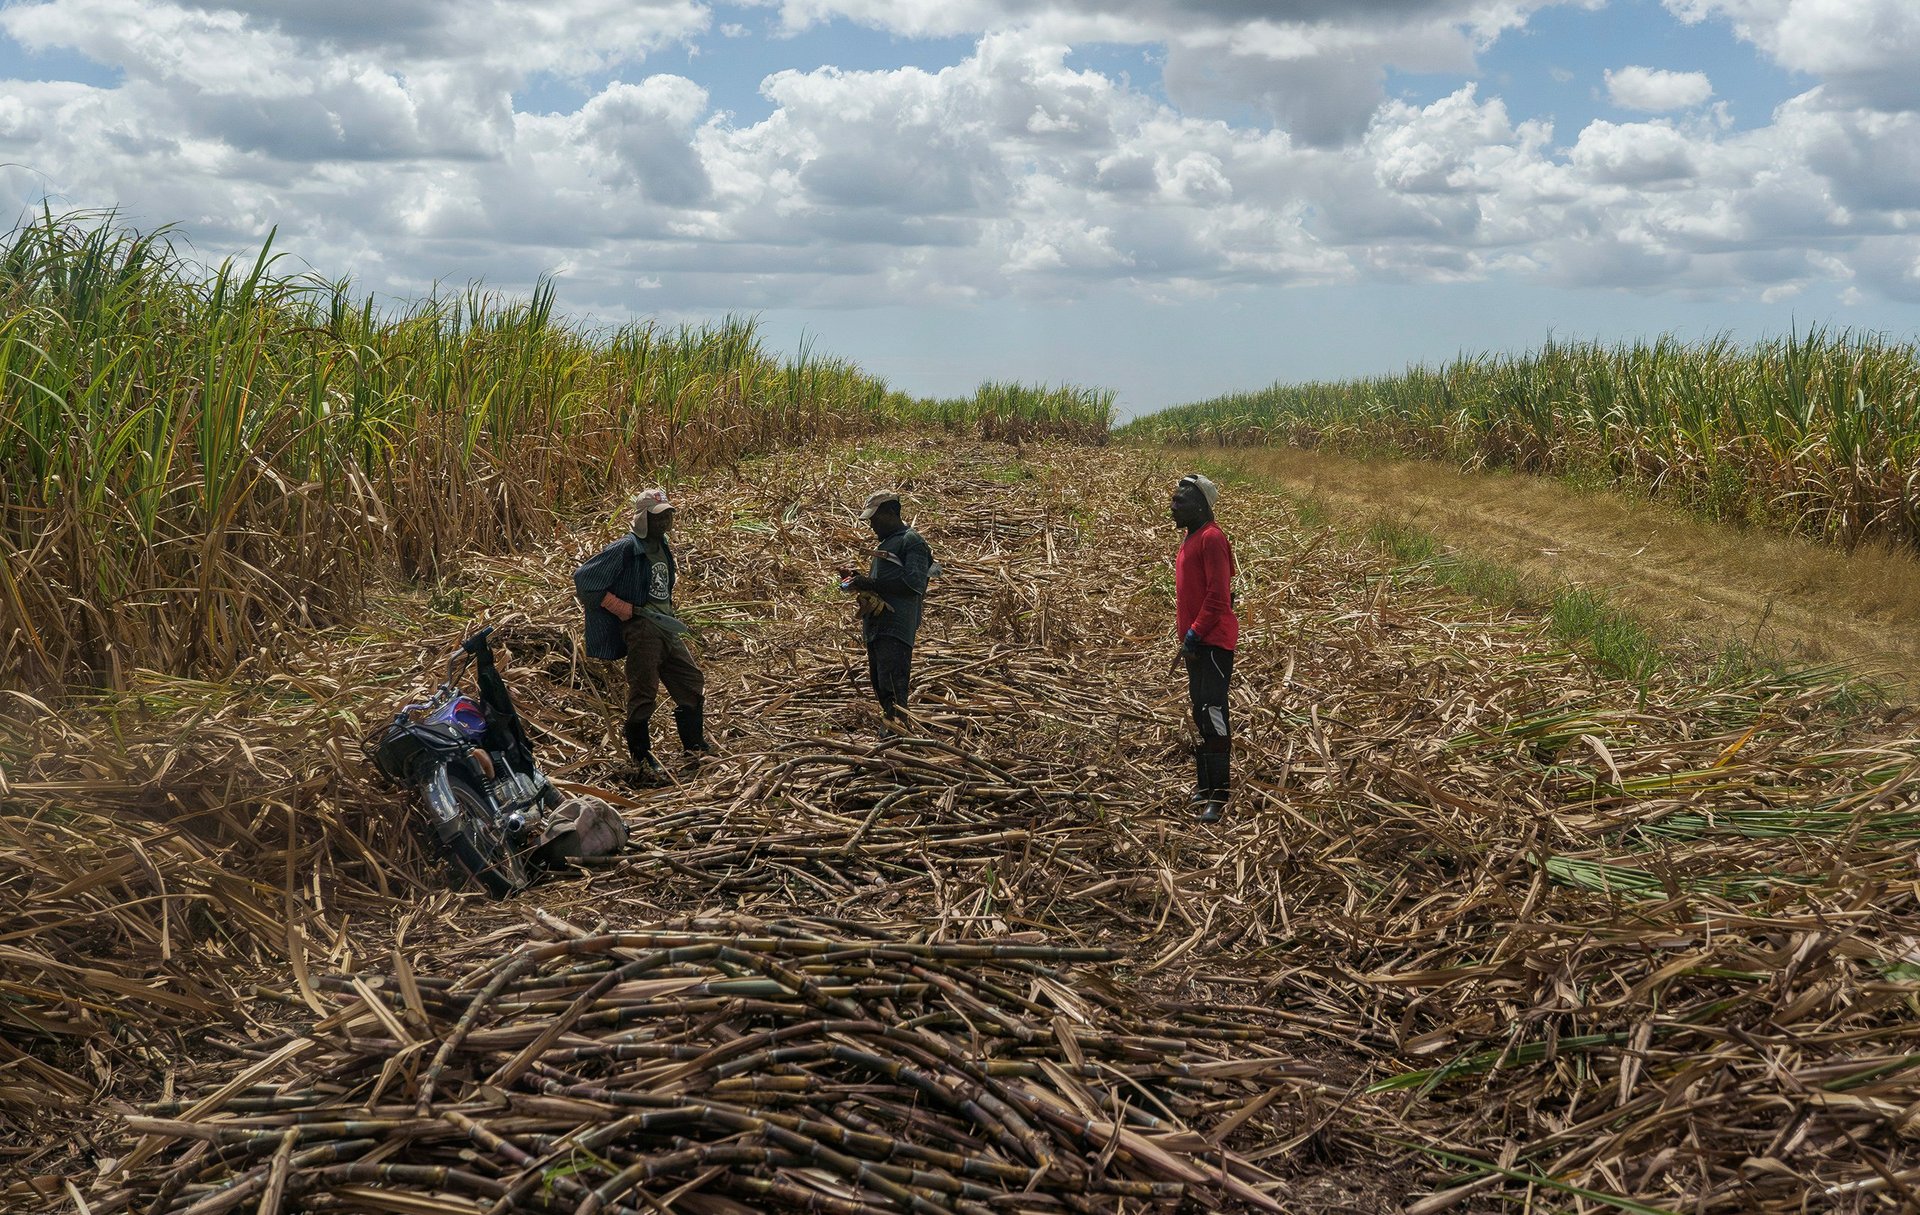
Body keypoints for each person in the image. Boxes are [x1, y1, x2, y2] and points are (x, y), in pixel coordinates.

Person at [573, 488, 712, 782]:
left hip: (665, 625)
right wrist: (622, 608)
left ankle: (695, 747)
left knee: (690, 680)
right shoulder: (626, 547)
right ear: (642, 518)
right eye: (658, 517)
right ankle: (641, 758)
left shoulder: (661, 545)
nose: (666, 522)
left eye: (669, 515)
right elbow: (585, 581)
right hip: (641, 628)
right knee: (644, 690)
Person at [1171, 472, 1239, 822]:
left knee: (1213, 711)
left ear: (1200, 504)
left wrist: (1195, 633)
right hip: (1196, 643)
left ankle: (1220, 794)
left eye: (1181, 500)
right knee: (1200, 710)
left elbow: (1218, 597)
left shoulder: (1212, 538)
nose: (1173, 505)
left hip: (1213, 641)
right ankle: (1205, 787)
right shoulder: (1191, 538)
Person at [839, 490, 934, 730]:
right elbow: (883, 585)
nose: (872, 525)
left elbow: (913, 584)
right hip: (878, 626)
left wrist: (869, 583)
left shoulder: (911, 541)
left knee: (893, 685)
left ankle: (898, 735)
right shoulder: (886, 545)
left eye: (875, 518)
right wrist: (859, 582)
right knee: (881, 684)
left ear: (892, 512)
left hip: (897, 626)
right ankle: (890, 731)